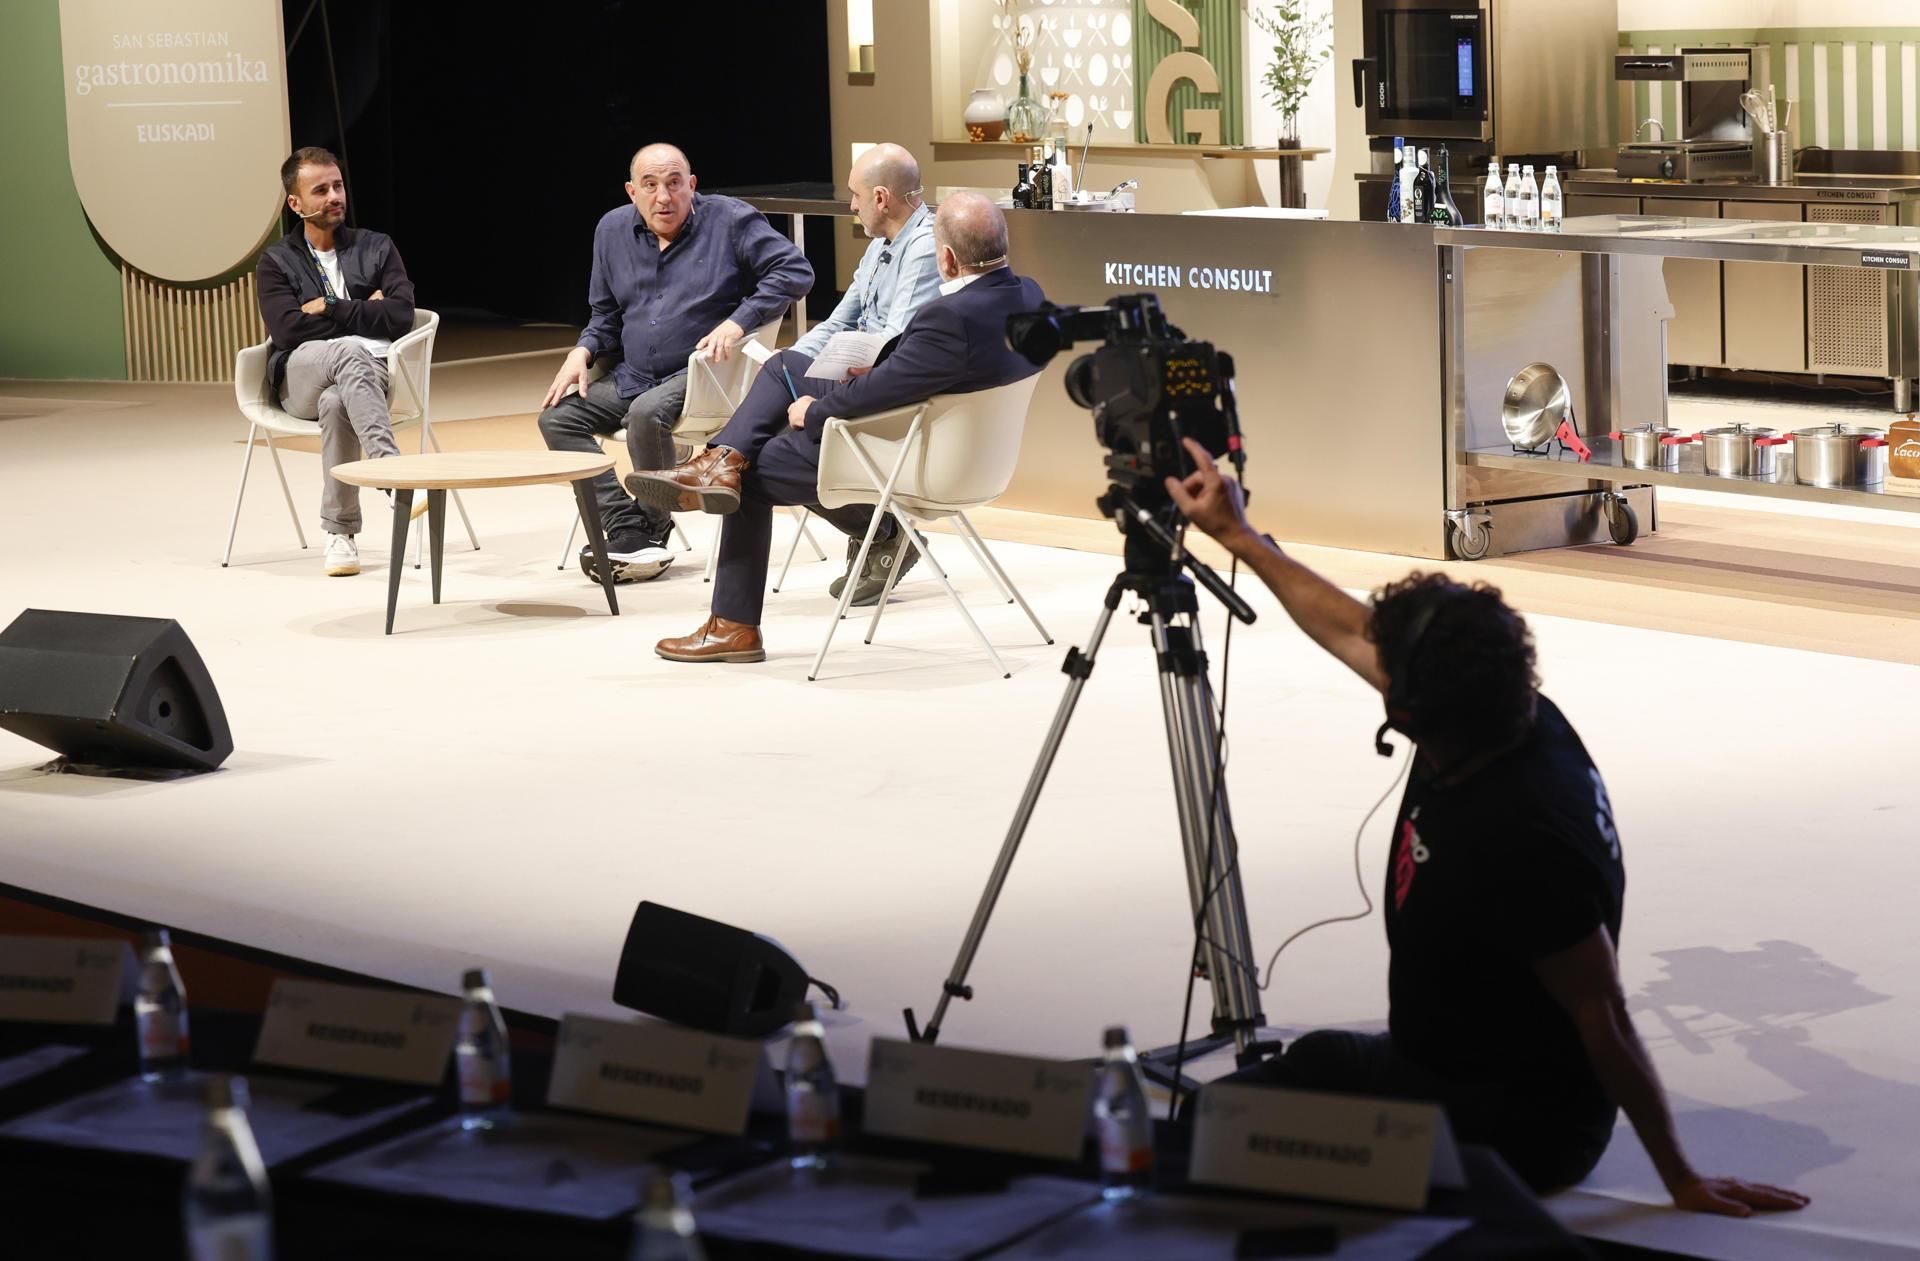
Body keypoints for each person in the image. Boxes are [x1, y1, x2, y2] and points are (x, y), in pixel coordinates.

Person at [1165, 438, 1812, 1217]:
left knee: (1210, 1144)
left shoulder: (1525, 834)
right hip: (1436, 1066)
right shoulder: (1493, 705)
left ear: (1404, 714)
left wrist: (1679, 1176)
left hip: (1517, 1130)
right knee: (1307, 1066)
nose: (1370, 653)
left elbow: (1600, 1014)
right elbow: (1347, 626)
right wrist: (1239, 535)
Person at [651, 192, 1042, 664]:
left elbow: (883, 394)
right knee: (786, 367)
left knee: (750, 477)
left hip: (908, 455)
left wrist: (815, 411)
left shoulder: (949, 317)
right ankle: (718, 460)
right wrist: (870, 376)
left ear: (947, 258)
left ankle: (733, 625)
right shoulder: (1029, 295)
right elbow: (919, 377)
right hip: (967, 453)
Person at [627, 143, 941, 606]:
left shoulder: (924, 246)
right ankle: (882, 532)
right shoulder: (879, 248)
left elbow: (893, 342)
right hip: (850, 370)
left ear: (880, 198)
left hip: (886, 385)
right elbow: (837, 322)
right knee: (768, 446)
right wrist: (802, 364)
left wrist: (794, 371)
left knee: (774, 389)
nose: (850, 205)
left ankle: (717, 463)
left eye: (855, 196)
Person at [537, 143, 813, 584]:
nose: (663, 197)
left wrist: (737, 322)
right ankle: (627, 527)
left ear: (692, 185)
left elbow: (795, 271)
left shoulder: (731, 220)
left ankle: (652, 528)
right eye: (650, 185)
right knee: (557, 418)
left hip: (703, 373)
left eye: (673, 183)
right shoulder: (611, 230)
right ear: (632, 191)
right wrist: (582, 350)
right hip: (634, 375)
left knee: (648, 414)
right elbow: (605, 314)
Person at [255, 146, 419, 577]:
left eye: (338, 186)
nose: (334, 196)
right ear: (296, 204)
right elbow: (288, 331)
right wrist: (365, 311)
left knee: (337, 401)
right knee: (350, 350)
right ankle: (391, 472)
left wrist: (328, 307)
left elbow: (401, 315)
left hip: (370, 379)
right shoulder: (276, 262)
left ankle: (339, 534)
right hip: (299, 378)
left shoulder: (377, 247)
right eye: (321, 189)